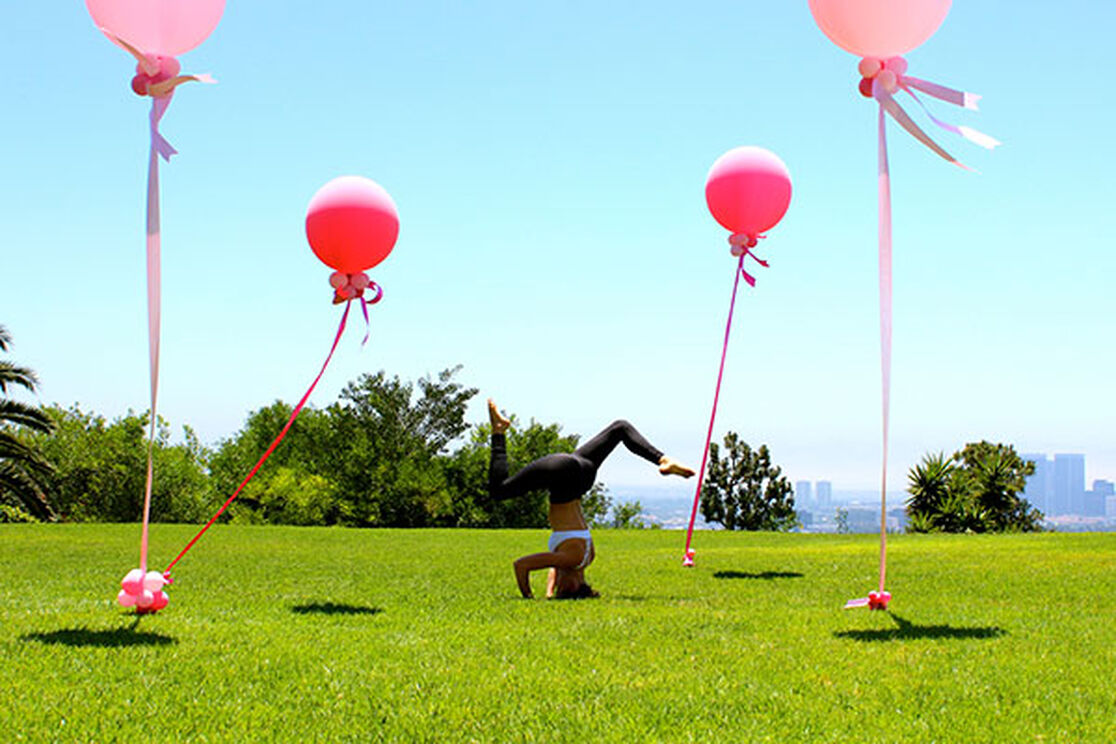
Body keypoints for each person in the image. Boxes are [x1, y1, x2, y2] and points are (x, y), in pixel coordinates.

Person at [485, 399, 695, 599]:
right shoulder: (572, 558)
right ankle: (499, 431)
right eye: (561, 589)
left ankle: (662, 458)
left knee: (620, 428)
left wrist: (549, 594)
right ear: (574, 586)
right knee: (499, 491)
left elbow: (554, 567)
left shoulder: (584, 558)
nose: (557, 584)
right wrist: (529, 596)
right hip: (562, 475)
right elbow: (520, 565)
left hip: (582, 475)